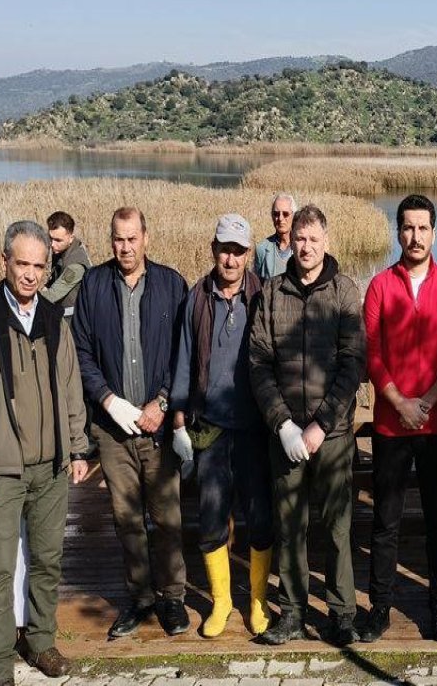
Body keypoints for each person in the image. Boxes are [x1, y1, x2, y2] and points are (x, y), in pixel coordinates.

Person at [0, 220, 90, 686]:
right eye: (22, 263)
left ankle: (42, 641)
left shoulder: (52, 317)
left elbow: (70, 386)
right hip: (2, 471)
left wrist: (78, 446)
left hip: (51, 467)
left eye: (39, 266)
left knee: (48, 561)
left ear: (49, 268)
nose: (30, 274)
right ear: (4, 261)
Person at [248, 204, 366, 646]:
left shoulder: (343, 291)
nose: (306, 247)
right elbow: (258, 362)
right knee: (289, 526)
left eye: (314, 240)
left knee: (337, 527)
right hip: (285, 435)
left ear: (326, 242)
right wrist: (282, 425)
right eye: (300, 239)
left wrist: (319, 426)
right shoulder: (273, 292)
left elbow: (352, 365)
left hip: (331, 435)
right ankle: (293, 613)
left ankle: (341, 614)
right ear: (290, 241)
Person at [73, 207, 189, 639]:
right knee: (126, 518)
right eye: (118, 239)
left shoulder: (172, 284)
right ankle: (140, 599)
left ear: (146, 237)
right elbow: (81, 352)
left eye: (132, 238)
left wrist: (162, 400)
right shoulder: (93, 285)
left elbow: (184, 351)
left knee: (166, 517)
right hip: (113, 428)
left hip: (156, 425)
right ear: (111, 240)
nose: (125, 247)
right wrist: (106, 398)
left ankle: (172, 598)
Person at [359, 194, 437, 643]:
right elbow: (372, 352)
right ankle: (379, 606)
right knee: (386, 521)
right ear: (397, 232)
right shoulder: (380, 285)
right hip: (389, 426)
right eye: (407, 227)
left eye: (423, 228)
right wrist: (400, 403)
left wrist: (425, 401)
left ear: (434, 233)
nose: (414, 236)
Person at [168, 214, 274, 639]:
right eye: (224, 249)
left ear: (249, 254)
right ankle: (222, 601)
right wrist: (178, 419)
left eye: (238, 250)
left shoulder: (263, 297)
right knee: (211, 518)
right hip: (209, 429)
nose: (230, 258)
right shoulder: (196, 298)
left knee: (261, 517)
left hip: (253, 428)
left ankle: (258, 601)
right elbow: (183, 360)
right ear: (213, 249)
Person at [41, 211, 92, 320]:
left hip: (74, 322)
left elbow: (52, 296)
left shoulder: (75, 266)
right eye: (50, 238)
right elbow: (50, 284)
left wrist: (22, 298)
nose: (52, 244)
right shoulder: (61, 251)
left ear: (71, 238)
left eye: (58, 240)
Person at [253, 192, 297, 281]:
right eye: (276, 214)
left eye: (285, 214)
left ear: (294, 216)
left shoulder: (301, 247)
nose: (280, 218)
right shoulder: (262, 249)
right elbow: (256, 283)